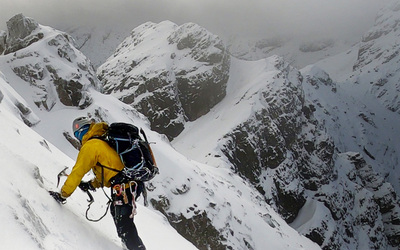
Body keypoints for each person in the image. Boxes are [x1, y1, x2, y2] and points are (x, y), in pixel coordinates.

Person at [49, 117, 146, 250]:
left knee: (125, 226)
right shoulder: (102, 141)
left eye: (77, 134)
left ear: (81, 133)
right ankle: (129, 246)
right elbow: (109, 171)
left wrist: (63, 195)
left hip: (125, 187)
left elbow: (78, 172)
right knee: (120, 217)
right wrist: (91, 185)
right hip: (129, 184)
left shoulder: (91, 146)